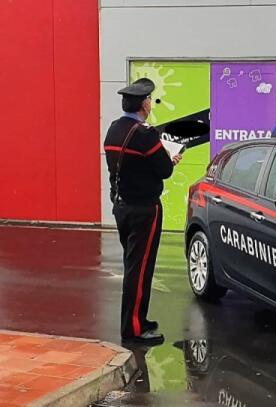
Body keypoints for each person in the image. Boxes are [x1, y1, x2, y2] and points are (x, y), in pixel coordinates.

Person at [104, 78, 182, 345]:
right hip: (144, 210)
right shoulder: (145, 135)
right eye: (149, 99)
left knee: (133, 266)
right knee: (139, 271)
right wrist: (170, 159)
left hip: (122, 207)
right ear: (144, 104)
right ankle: (134, 330)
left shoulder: (114, 130)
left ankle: (138, 319)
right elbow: (164, 170)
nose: (150, 103)